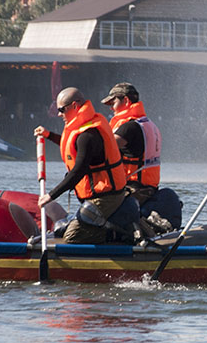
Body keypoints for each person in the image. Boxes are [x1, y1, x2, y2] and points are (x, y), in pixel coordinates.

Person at [34, 87, 128, 244]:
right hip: (97, 196)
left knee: (72, 237)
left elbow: (78, 170)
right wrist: (48, 135)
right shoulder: (84, 128)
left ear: (75, 106)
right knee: (69, 230)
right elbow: (74, 146)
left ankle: (116, 236)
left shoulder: (88, 134)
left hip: (106, 197)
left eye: (61, 109)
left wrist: (50, 195)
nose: (59, 114)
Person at [101, 82, 182, 233]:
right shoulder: (148, 124)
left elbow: (99, 150)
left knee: (94, 213)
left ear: (125, 101)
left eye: (114, 102)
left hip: (132, 191)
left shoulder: (128, 128)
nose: (111, 107)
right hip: (148, 189)